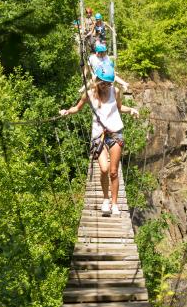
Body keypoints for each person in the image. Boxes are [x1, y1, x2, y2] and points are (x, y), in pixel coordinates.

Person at [59, 64, 139, 216]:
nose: (106, 86)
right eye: (104, 83)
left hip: (115, 133)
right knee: (104, 169)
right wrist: (67, 111)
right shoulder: (89, 94)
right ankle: (105, 199)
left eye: (109, 83)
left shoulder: (114, 91)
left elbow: (120, 107)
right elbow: (77, 108)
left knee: (114, 171)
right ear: (97, 80)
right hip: (98, 136)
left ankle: (114, 204)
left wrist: (132, 110)